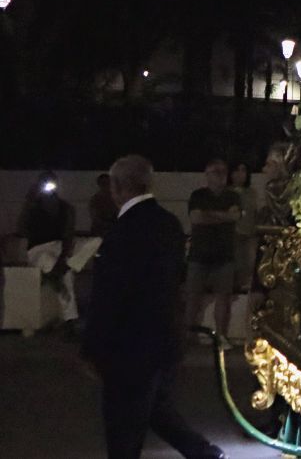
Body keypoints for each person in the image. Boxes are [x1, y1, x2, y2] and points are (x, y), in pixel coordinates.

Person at [82, 155, 225, 459]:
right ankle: (204, 453)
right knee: (153, 408)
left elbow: (108, 298)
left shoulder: (121, 233)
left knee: (124, 428)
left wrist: (92, 348)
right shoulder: (169, 224)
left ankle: (204, 453)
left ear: (117, 187)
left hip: (128, 346)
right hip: (165, 337)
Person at [18, 171, 101, 327]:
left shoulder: (66, 207)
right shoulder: (32, 206)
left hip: (60, 247)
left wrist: (63, 258)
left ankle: (63, 269)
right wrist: (29, 201)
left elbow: (68, 234)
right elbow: (21, 230)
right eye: (45, 183)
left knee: (97, 241)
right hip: (38, 249)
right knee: (63, 273)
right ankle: (70, 319)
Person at [184, 158, 240, 345]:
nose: (221, 175)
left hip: (224, 254)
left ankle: (221, 337)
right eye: (216, 172)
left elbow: (234, 216)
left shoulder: (232, 196)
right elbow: (196, 218)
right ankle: (188, 336)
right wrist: (223, 216)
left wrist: (208, 214)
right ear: (207, 175)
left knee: (223, 298)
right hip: (199, 254)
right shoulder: (198, 195)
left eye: (223, 172)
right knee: (193, 297)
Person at [229, 162, 259, 292]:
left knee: (249, 265)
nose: (240, 174)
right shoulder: (227, 192)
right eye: (237, 170)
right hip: (233, 235)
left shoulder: (251, 192)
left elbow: (254, 212)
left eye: (243, 170)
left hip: (250, 235)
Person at [89, 173, 120, 238]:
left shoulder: (117, 198)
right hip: (100, 230)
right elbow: (95, 217)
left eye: (108, 183)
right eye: (104, 183)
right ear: (99, 184)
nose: (106, 185)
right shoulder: (95, 200)